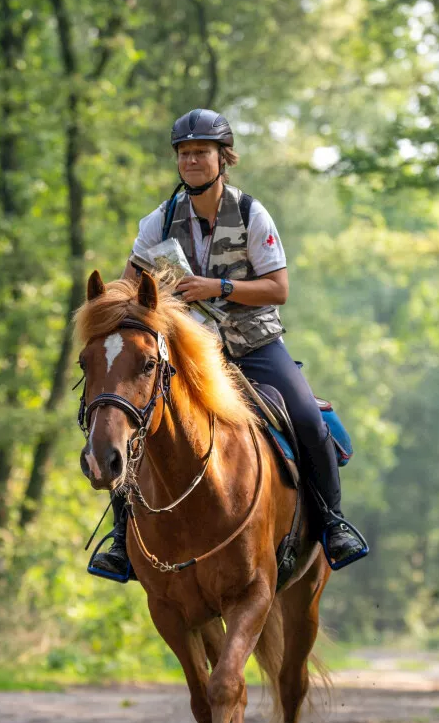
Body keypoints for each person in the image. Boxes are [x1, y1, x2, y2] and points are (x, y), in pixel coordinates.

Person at [89, 107, 368, 581]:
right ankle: (121, 539)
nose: (191, 160)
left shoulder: (252, 214)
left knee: (304, 416)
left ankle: (332, 523)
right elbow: (129, 287)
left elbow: (278, 289)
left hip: (255, 344)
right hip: (193, 353)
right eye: (184, 153)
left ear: (224, 158)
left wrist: (215, 288)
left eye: (201, 152)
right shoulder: (158, 222)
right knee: (136, 422)